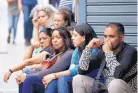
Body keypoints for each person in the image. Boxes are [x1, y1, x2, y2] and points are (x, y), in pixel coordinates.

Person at [72, 22, 137, 93]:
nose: (107, 40)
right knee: (78, 79)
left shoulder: (130, 51)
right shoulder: (103, 52)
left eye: (111, 36)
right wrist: (88, 48)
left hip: (126, 89)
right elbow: (82, 70)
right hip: (108, 89)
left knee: (115, 83)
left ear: (121, 37)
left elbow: (118, 75)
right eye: (105, 36)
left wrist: (108, 53)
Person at [43, 23, 101, 93]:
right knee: (53, 82)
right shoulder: (77, 50)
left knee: (63, 78)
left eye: (75, 35)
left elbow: (78, 70)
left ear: (83, 38)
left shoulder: (95, 50)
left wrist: (54, 75)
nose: (72, 38)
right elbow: (72, 68)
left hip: (93, 82)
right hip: (78, 79)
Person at [15, 27, 73, 93]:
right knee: (23, 78)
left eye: (58, 37)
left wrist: (27, 76)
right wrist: (23, 75)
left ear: (65, 39)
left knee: (29, 79)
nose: (54, 40)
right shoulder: (56, 54)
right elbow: (43, 69)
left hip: (56, 85)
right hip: (47, 81)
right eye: (53, 38)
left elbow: (52, 70)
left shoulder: (69, 53)